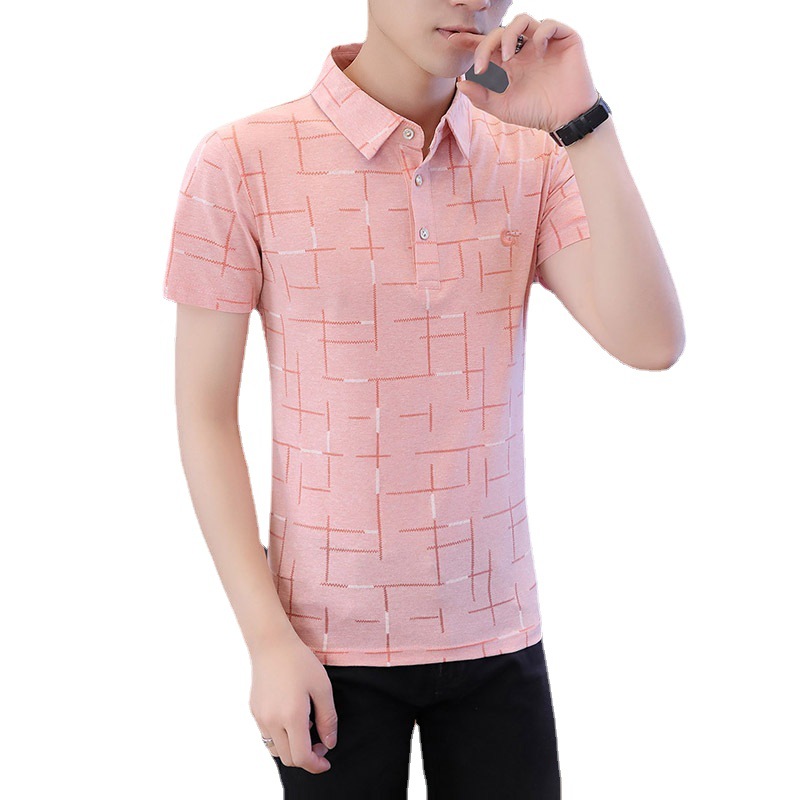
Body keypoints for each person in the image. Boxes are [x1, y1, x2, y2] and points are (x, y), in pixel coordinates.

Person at [162, 1, 684, 797]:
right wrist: (267, 640)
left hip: (498, 635)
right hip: (325, 650)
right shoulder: (240, 159)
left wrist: (582, 122)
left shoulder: (531, 157)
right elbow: (204, 415)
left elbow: (652, 342)